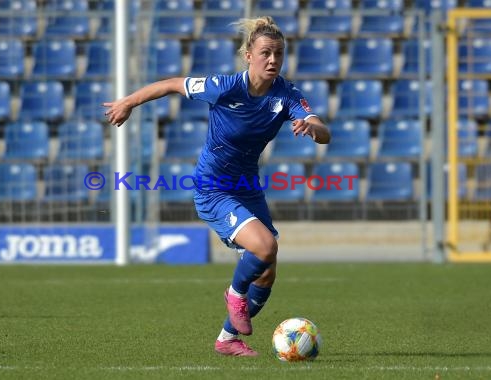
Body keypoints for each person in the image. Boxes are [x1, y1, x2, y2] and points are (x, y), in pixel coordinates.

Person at [103, 16, 330, 357]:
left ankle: (226, 339)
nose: (273, 60)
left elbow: (322, 129)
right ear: (248, 56)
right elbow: (171, 84)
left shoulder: (286, 94)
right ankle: (235, 293)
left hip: (247, 188)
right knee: (265, 247)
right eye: (266, 53)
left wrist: (313, 128)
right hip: (214, 188)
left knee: (267, 272)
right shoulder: (224, 87)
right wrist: (128, 103)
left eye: (279, 54)